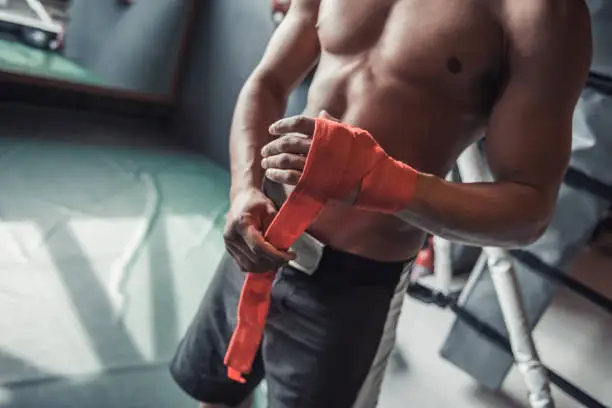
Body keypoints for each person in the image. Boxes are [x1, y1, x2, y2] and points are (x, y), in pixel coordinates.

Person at [170, 0, 592, 407]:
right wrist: (245, 189)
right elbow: (269, 79)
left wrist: (382, 181)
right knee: (219, 393)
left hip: (355, 281)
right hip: (260, 233)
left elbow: (530, 207)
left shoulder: (542, 12)